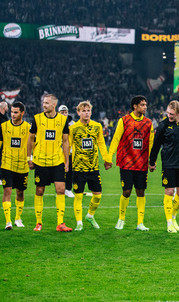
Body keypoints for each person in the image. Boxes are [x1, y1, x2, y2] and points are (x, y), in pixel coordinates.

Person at [149, 101, 179, 233]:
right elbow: (156, 145)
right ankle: (169, 222)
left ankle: (174, 217)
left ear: (178, 113)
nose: (169, 116)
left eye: (172, 114)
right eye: (168, 113)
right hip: (168, 163)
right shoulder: (163, 125)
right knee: (169, 192)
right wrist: (152, 162)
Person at [108, 95, 154, 231]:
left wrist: (152, 161)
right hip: (126, 162)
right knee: (126, 191)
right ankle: (121, 219)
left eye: (146, 105)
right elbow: (116, 139)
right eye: (143, 105)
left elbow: (151, 142)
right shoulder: (124, 121)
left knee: (141, 192)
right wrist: (109, 157)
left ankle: (140, 223)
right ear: (135, 106)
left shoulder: (148, 123)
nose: (145, 107)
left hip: (142, 163)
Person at [27, 94, 71, 232]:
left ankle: (60, 223)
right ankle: (39, 222)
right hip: (40, 160)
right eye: (43, 103)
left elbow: (65, 141)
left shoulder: (63, 120)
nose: (44, 105)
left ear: (54, 105)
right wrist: (29, 157)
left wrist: (66, 161)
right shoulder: (37, 118)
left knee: (61, 189)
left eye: (46, 103)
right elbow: (30, 139)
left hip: (57, 160)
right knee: (40, 190)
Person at [0, 102, 30, 230]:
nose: (13, 115)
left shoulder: (28, 128)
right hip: (7, 164)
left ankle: (18, 218)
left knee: (20, 192)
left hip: (22, 166)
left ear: (22, 113)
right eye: (12, 112)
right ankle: (8, 221)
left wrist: (32, 159)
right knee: (7, 190)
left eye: (16, 112)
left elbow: (33, 145)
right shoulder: (3, 127)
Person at [68, 101, 112, 231]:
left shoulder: (97, 126)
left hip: (93, 167)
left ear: (91, 112)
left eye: (88, 110)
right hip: (78, 167)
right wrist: (64, 162)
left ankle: (90, 216)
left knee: (98, 195)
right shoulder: (73, 128)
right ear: (78, 113)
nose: (86, 113)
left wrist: (107, 159)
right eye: (83, 111)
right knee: (78, 196)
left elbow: (101, 144)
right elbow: (68, 146)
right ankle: (79, 222)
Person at [58, 105, 75, 199]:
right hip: (59, 151)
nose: (64, 114)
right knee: (59, 172)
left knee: (70, 172)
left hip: (70, 151)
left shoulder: (72, 124)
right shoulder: (56, 122)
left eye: (65, 112)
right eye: (62, 112)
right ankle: (60, 189)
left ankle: (68, 189)